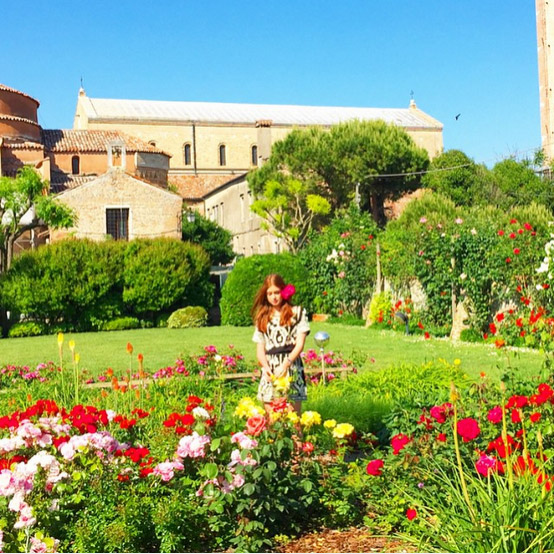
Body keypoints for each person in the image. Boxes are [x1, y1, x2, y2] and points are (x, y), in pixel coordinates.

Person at [252, 274, 310, 415]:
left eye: (277, 292)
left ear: (283, 291)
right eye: (270, 293)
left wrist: (285, 364)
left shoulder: (297, 313)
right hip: (270, 369)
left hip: (291, 366)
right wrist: (266, 368)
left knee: (293, 419)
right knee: (272, 420)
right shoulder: (262, 317)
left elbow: (300, 343)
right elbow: (260, 348)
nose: (274, 297)